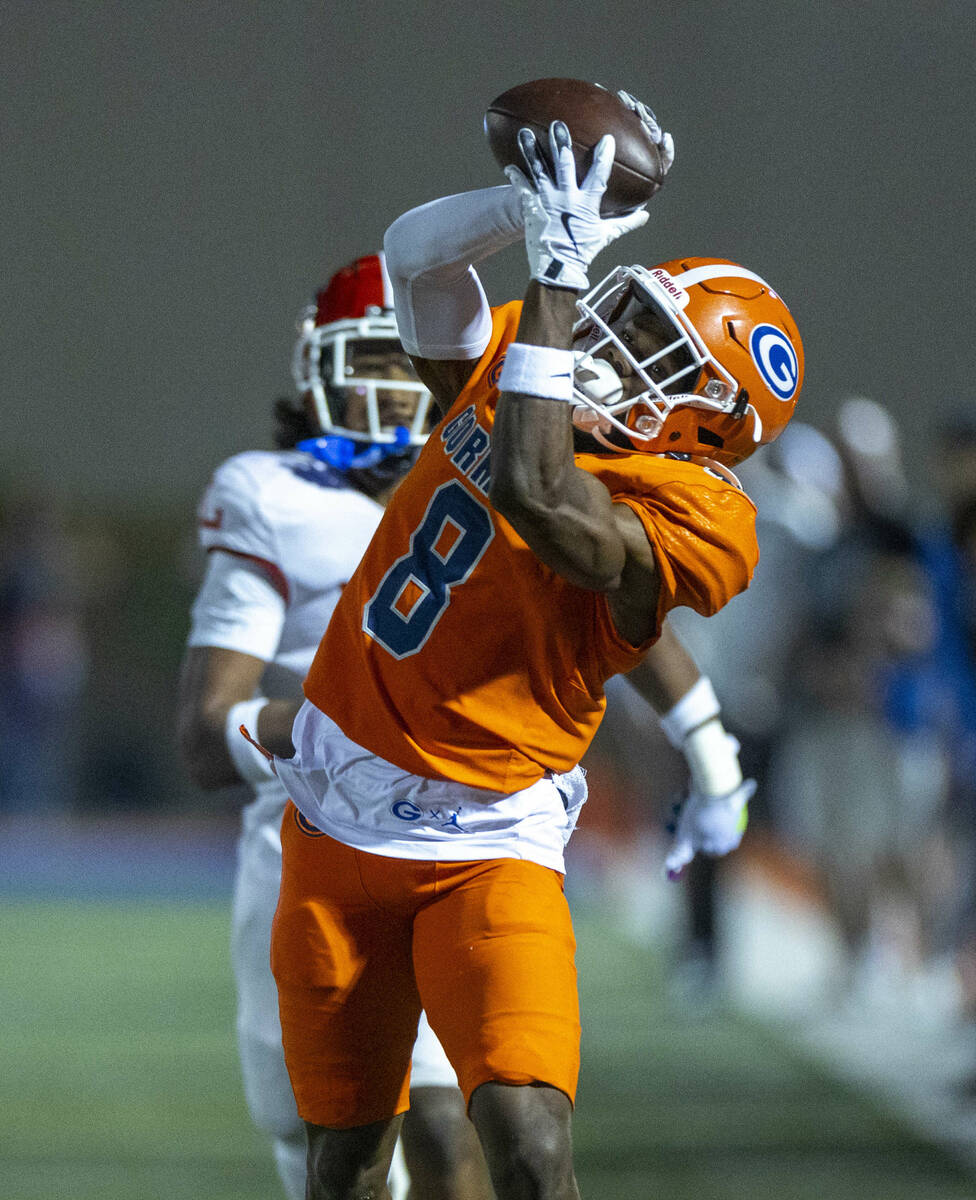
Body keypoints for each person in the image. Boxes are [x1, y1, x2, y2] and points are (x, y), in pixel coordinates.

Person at [267, 101, 803, 1199]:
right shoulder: (532, 348)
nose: (613, 338)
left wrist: (557, 270)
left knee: (527, 1143)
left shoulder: (698, 518)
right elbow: (413, 257)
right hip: (335, 819)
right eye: (626, 313)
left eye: (656, 348)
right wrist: (532, 207)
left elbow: (536, 489)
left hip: (486, 835)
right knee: (346, 1167)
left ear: (707, 418)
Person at [177, 254, 493, 1200]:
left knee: (452, 1122)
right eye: (376, 361)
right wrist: (334, 724)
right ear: (322, 369)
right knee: (332, 1151)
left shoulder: (491, 481)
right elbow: (204, 738)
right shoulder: (271, 495)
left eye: (414, 362)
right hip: (305, 844)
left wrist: (700, 732)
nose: (399, 385)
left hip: (452, 840)